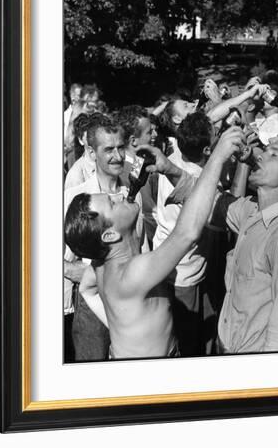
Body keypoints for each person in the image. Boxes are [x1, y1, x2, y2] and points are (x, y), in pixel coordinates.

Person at [64, 127, 246, 359]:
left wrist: (119, 325)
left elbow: (88, 291)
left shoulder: (99, 267)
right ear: (109, 236)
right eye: (112, 203)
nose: (119, 195)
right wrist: (218, 157)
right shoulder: (133, 273)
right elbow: (186, 233)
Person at [216, 132, 278, 353]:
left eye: (273, 154)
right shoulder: (251, 211)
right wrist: (170, 169)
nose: (260, 157)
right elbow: (211, 201)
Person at [63, 116, 147, 361]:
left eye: (121, 147)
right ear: (91, 152)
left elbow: (140, 244)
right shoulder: (75, 196)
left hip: (133, 301)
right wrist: (86, 275)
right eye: (108, 149)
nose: (118, 156)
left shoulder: (133, 191)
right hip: (93, 303)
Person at [152, 112, 216, 355]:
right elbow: (217, 221)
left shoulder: (174, 155)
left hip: (164, 259)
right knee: (187, 337)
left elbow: (211, 118)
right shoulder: (201, 181)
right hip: (186, 272)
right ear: (208, 150)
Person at [115, 105, 157, 244]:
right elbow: (147, 214)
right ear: (133, 140)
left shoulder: (140, 162)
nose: (154, 135)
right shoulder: (128, 173)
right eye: (149, 132)